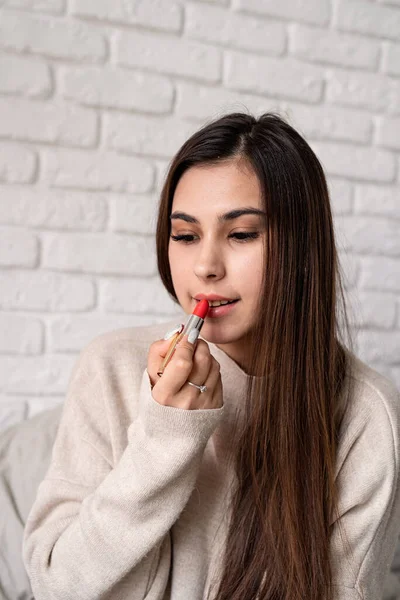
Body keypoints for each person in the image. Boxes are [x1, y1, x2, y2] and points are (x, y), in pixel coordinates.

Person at [22, 112, 400, 600]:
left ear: (304, 247)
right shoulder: (111, 367)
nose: (205, 266)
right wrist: (164, 441)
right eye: (185, 235)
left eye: (241, 234)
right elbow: (56, 583)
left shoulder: (368, 416)